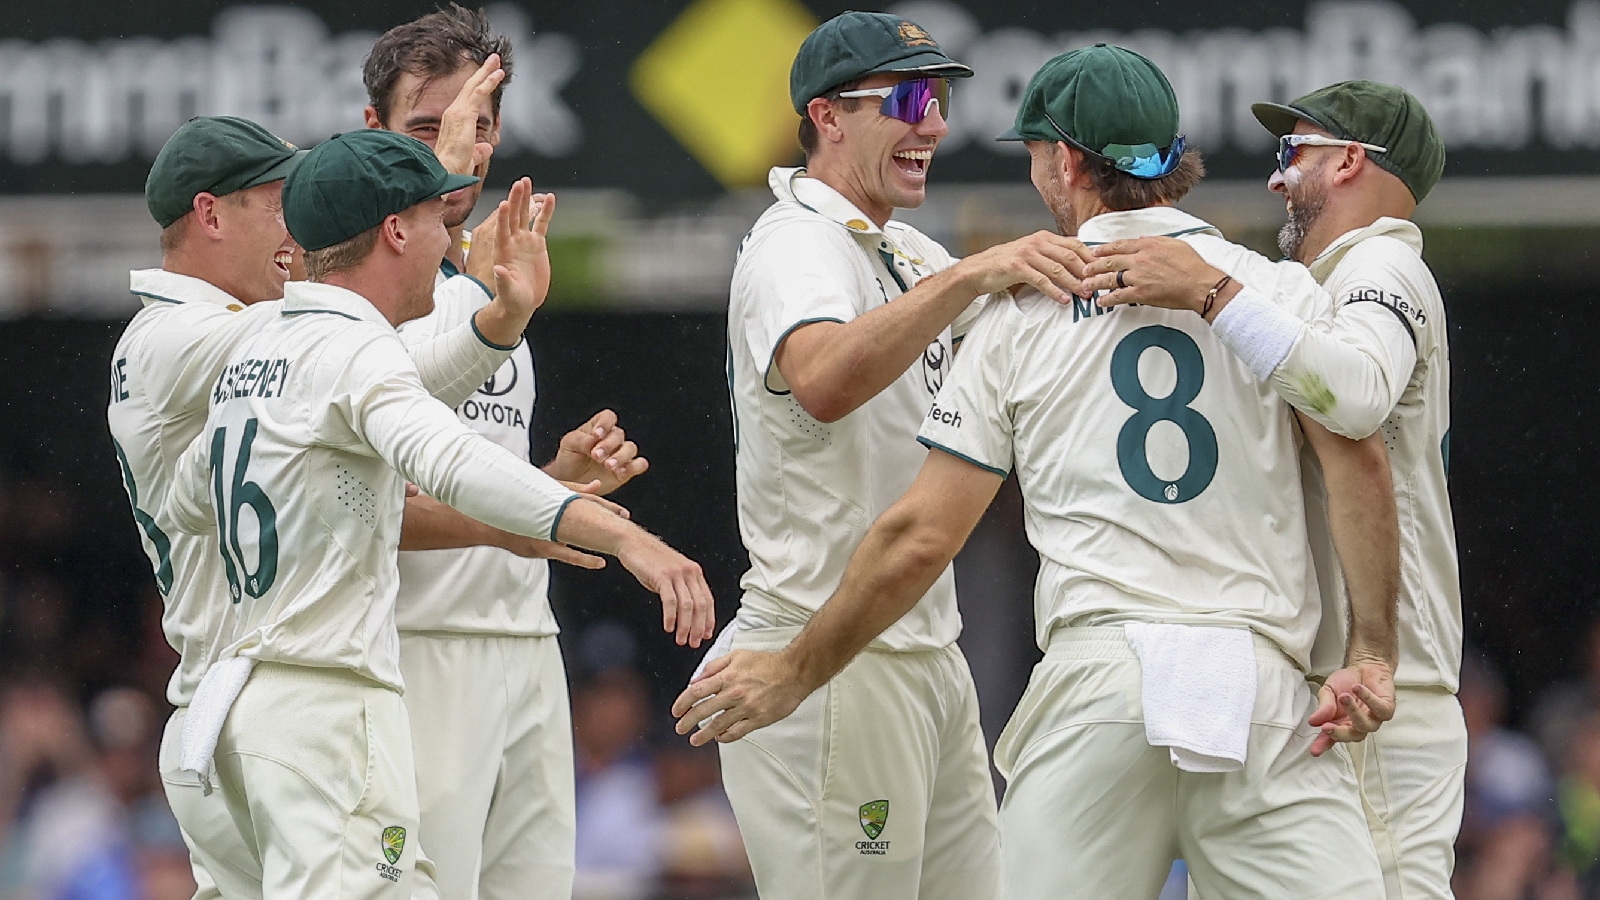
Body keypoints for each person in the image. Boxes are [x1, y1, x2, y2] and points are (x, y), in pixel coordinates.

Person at [677, 44, 1399, 899]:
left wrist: (796, 668)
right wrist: (1372, 652)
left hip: (1099, 686)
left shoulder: (1019, 312)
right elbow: (1359, 455)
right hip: (1261, 687)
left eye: (1031, 157)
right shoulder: (1268, 290)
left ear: (1063, 162)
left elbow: (921, 534)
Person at [155, 128, 715, 900]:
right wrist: (623, 535)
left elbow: (188, 501)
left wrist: (496, 322)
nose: (451, 242)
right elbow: (453, 460)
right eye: (438, 224)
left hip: (221, 717)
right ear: (394, 230)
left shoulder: (262, 353)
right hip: (323, 713)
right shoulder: (350, 351)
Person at [106, 114, 562, 900]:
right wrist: (428, 222)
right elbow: (364, 341)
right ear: (210, 214)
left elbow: (373, 376)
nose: (303, 228)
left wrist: (488, 318)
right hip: (294, 705)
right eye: (280, 202)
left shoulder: (187, 338)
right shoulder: (182, 337)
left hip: (225, 707)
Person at [700, 10, 1095, 900]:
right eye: (911, 98)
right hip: (823, 649)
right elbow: (825, 378)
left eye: (942, 97)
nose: (936, 125)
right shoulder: (796, 240)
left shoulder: (905, 249)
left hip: (922, 649)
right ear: (829, 116)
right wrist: (971, 274)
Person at [1084, 80, 1462, 899]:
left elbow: (1358, 393)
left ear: (1351, 160)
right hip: (1321, 690)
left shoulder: (1382, 262)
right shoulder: (1316, 283)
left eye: (1292, 153)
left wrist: (1213, 292)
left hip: (1381, 702)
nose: (1275, 178)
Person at [360, 10, 649, 898]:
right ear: (373, 133)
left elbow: (462, 465)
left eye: (478, 126)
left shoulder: (488, 272)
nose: (463, 151)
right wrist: (517, 522)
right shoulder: (348, 282)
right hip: (420, 650)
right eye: (430, 129)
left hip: (528, 642)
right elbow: (364, 500)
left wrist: (550, 484)